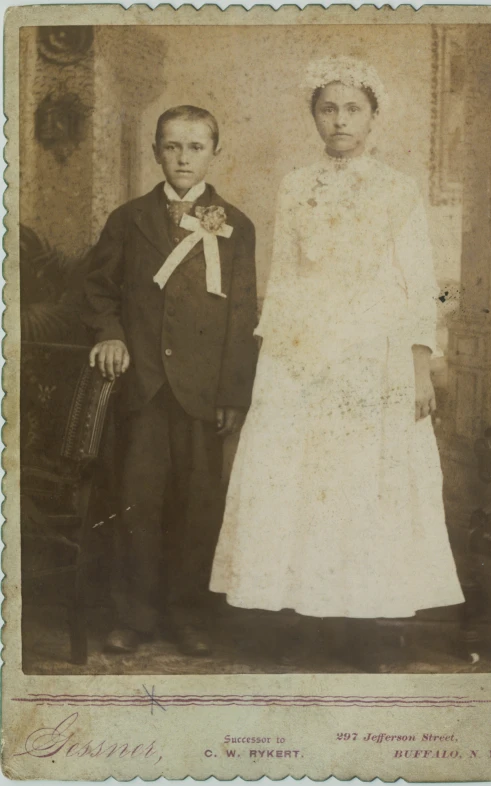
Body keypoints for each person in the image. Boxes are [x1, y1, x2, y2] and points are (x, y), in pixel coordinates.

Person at [210, 57, 464, 669]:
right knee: (299, 483)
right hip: (301, 358)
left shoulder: (398, 189)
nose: (340, 119)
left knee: (362, 488)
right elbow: (285, 275)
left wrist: (418, 364)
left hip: (372, 358)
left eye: (352, 108)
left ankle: (363, 633)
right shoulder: (296, 184)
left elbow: (426, 284)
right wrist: (279, 360)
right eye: (328, 108)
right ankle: (300, 623)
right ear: (315, 117)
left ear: (373, 117)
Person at [82, 105, 257, 656]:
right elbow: (96, 290)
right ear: (156, 150)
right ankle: (132, 617)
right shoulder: (127, 218)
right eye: (172, 146)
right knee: (137, 500)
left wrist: (232, 393)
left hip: (203, 393)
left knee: (198, 505)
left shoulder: (236, 225)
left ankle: (189, 617)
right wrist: (109, 334)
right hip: (146, 387)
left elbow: (242, 314)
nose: (183, 157)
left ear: (214, 152)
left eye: (195, 147)